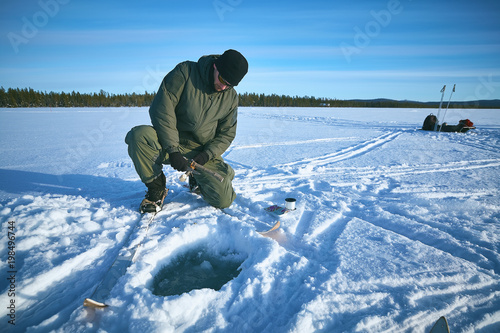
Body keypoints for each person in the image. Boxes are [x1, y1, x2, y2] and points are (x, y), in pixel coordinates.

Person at [125, 49, 248, 212]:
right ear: (215, 67)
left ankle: (201, 178)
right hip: (168, 141)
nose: (223, 86)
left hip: (200, 151)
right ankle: (157, 189)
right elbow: (162, 110)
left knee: (223, 200)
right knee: (138, 136)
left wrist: (206, 155)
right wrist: (173, 150)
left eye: (230, 85)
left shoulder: (230, 97)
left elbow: (226, 134)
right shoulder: (186, 73)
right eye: (222, 79)